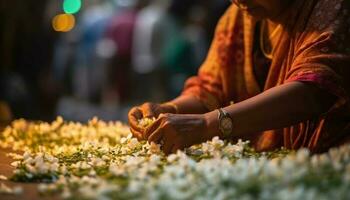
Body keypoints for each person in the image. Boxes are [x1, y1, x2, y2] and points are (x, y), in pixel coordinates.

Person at [128, 0, 350, 154]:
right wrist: (170, 109)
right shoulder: (237, 18)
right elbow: (210, 88)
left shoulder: (332, 7)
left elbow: (313, 90)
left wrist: (208, 124)